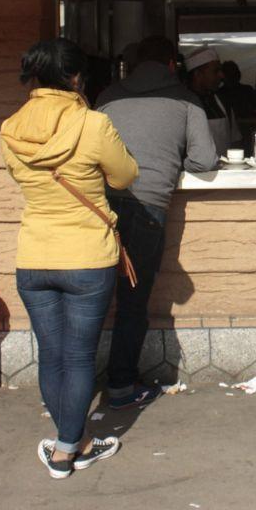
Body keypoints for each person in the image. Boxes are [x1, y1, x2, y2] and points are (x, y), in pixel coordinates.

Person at [0, 38, 139, 478]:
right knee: (79, 357)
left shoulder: (10, 128)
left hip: (34, 254)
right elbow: (125, 175)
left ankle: (70, 439)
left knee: (52, 354)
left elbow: (22, 178)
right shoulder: (93, 123)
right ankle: (66, 451)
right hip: (86, 256)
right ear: (77, 77)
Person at [96, 36, 219, 407]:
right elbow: (205, 161)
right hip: (147, 208)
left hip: (96, 208)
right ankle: (120, 384)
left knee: (92, 298)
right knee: (133, 300)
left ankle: (76, 385)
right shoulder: (185, 100)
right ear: (171, 65)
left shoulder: (107, 98)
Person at [186, 46, 240, 155]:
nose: (221, 75)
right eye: (216, 71)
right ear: (198, 74)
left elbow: (235, 140)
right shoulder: (183, 104)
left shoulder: (223, 101)